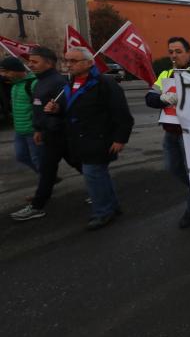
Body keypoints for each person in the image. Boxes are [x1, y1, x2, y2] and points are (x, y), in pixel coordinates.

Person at [44, 47, 133, 230]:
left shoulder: (105, 83)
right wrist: (57, 110)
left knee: (93, 175)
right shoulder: (70, 83)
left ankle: (102, 212)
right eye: (66, 60)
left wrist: (120, 139)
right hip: (79, 140)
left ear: (89, 63)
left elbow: (121, 113)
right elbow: (70, 110)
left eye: (74, 61)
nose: (68, 64)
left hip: (99, 139)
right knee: (99, 175)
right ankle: (112, 207)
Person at [10, 47, 76, 222]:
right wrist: (38, 129)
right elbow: (38, 109)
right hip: (48, 133)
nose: (30, 65)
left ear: (49, 63)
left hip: (58, 134)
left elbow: (68, 109)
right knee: (76, 163)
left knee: (48, 170)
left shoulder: (57, 82)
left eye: (35, 61)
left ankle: (37, 206)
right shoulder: (40, 82)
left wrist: (56, 112)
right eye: (30, 61)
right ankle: (98, 185)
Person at [145, 36, 190, 228]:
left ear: (188, 53)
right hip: (171, 132)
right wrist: (163, 98)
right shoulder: (165, 74)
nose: (174, 55)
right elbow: (149, 98)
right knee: (172, 167)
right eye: (171, 52)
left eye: (178, 51)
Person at [0, 57, 39, 177]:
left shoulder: (33, 83)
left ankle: (46, 181)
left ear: (17, 70)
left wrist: (38, 127)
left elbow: (39, 108)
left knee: (37, 159)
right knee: (21, 156)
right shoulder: (15, 85)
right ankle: (47, 177)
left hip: (32, 130)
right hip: (19, 130)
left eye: (6, 71)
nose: (4, 75)